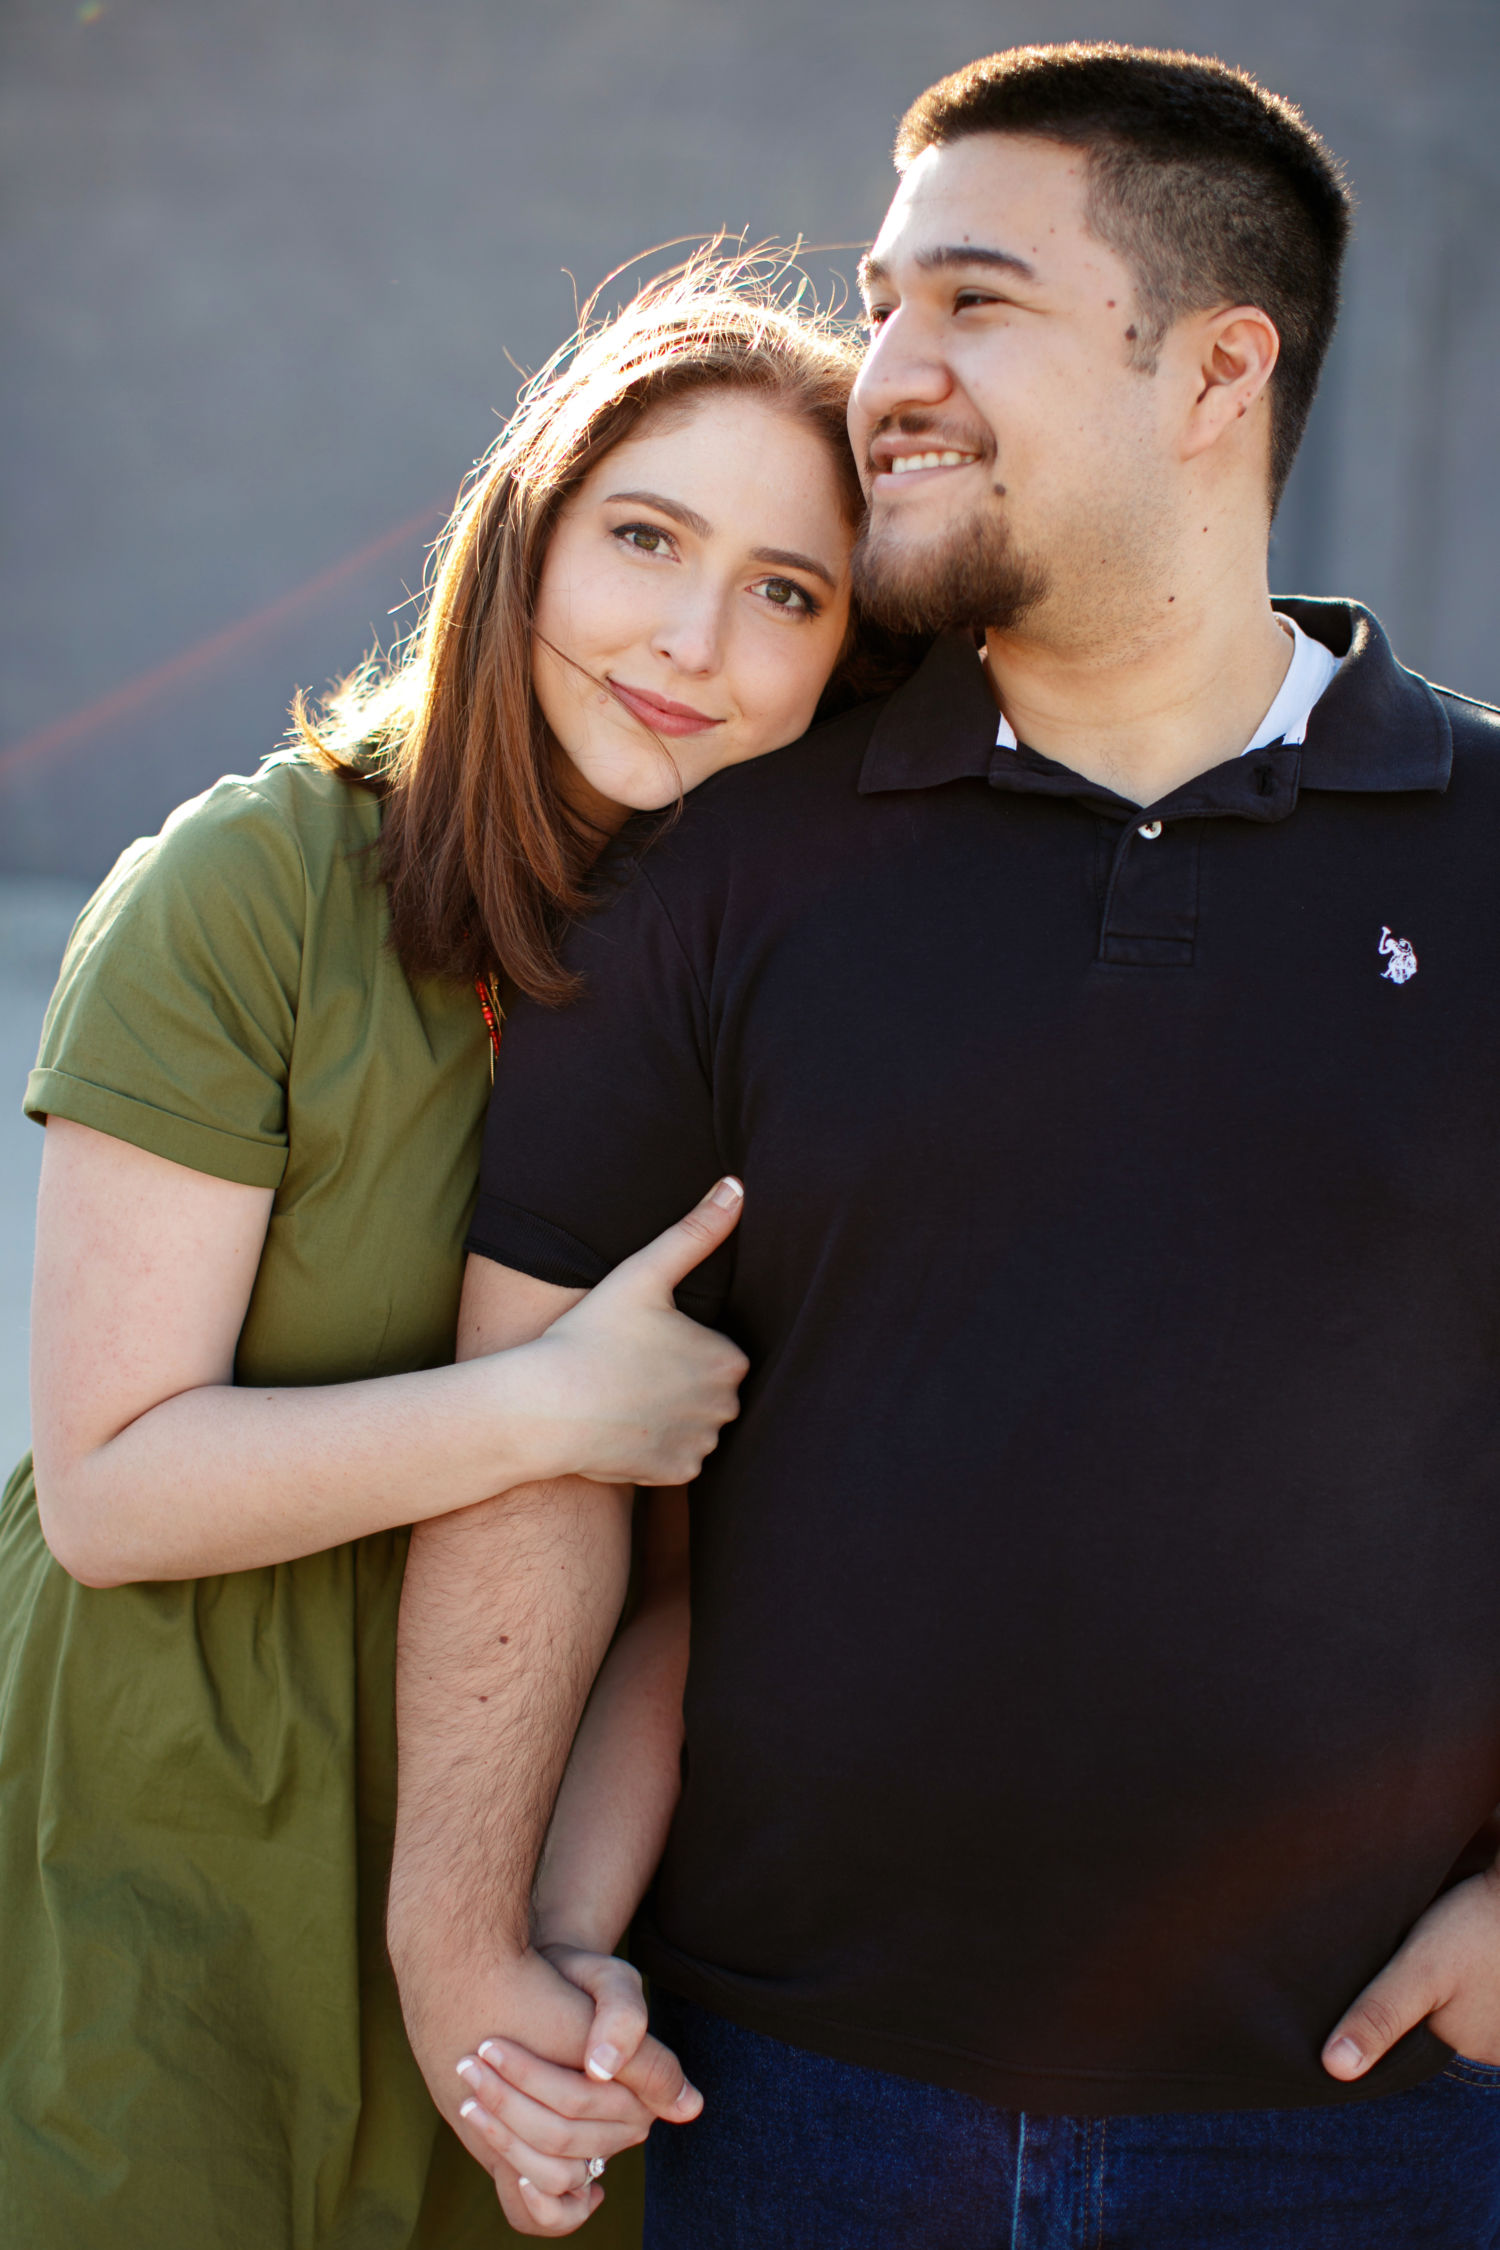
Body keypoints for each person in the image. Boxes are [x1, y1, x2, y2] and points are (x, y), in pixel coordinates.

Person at [390, 43, 1500, 2250]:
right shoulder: (728, 861)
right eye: (885, 302)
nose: (886, 371)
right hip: (787, 2097)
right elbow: (535, 1442)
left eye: (974, 303)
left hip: (1364, 2117)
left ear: (1218, 368)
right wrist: (462, 1935)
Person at [0, 257, 898, 2248]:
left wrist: (539, 1943)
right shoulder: (249, 889)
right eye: (645, 538)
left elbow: (699, 1582)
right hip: (170, 1822)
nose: (691, 640)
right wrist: (547, 1410)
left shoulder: (790, 998)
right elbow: (113, 1488)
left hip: (567, 1841)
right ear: (525, 536)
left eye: (787, 590)